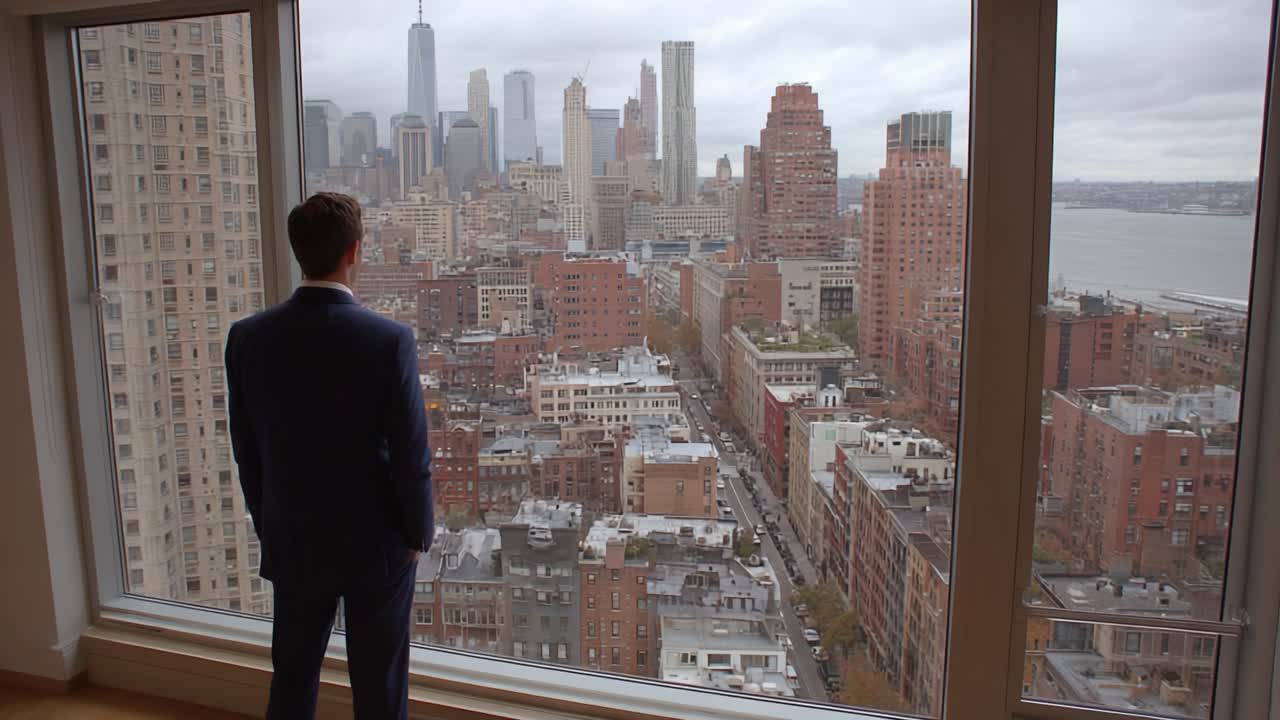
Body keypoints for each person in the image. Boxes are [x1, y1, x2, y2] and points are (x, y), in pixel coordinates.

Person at [225, 192, 433, 719]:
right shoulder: (389, 341)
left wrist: (269, 524)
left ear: (299, 251)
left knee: (291, 679)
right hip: (376, 546)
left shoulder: (248, 338)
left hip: (293, 536)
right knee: (379, 689)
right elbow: (411, 455)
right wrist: (417, 534)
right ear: (354, 251)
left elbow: (247, 450)